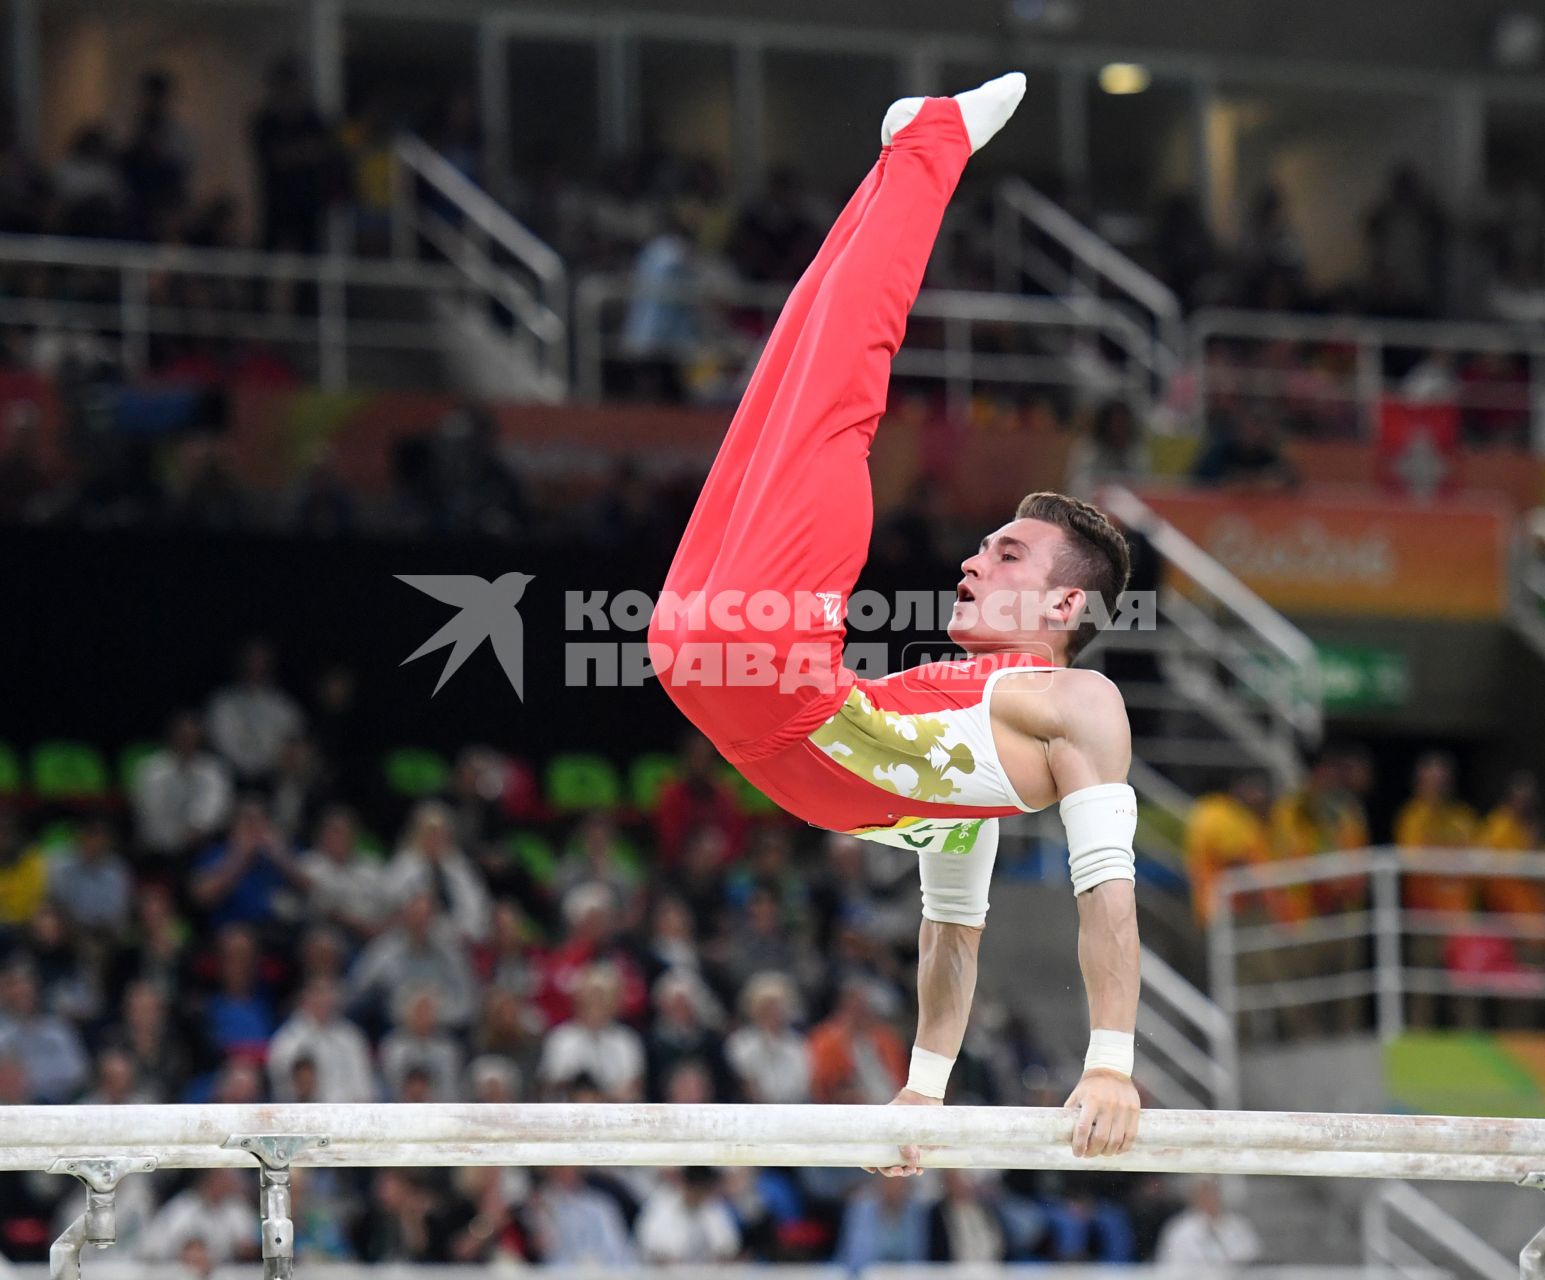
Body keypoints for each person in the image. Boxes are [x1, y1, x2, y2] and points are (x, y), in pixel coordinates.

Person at [647, 74, 1140, 1169]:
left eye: (1006, 553)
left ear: (1067, 605)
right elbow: (949, 941)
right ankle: (897, 167)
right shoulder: (962, 779)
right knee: (787, 377)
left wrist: (1107, 1056)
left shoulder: (1072, 701)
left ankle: (927, 145)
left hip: (745, 670)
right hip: (740, 664)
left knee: (833, 394)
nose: (972, 557)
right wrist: (926, 1085)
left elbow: (1097, 896)